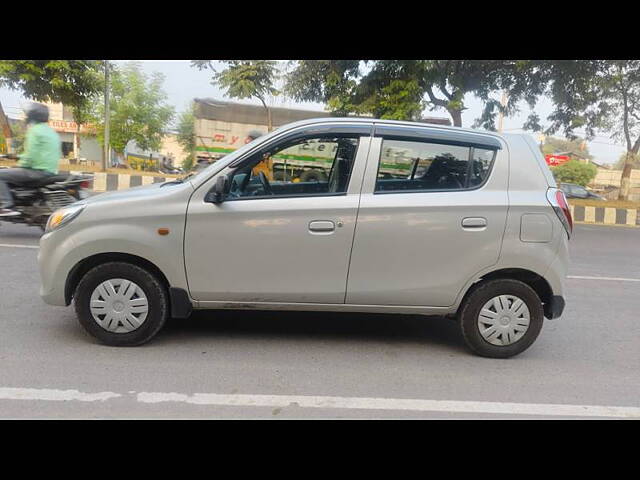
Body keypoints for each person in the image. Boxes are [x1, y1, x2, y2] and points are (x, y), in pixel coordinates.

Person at [0, 103, 61, 216]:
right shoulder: (53, 133)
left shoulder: (35, 131)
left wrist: (20, 164)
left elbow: (30, 157)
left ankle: (6, 206)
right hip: (50, 171)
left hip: (36, 172)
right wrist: (18, 157)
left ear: (32, 115)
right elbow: (40, 153)